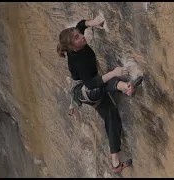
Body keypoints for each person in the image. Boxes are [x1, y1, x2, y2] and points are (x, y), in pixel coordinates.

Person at [57, 15, 143, 173]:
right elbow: (91, 84)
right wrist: (114, 73)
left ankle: (116, 164)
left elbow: (80, 25)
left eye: (79, 34)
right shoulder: (78, 61)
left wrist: (93, 23)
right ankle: (126, 87)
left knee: (112, 118)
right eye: (77, 37)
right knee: (104, 82)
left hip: (90, 90)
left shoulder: (77, 45)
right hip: (87, 91)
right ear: (71, 47)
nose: (82, 36)